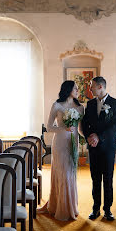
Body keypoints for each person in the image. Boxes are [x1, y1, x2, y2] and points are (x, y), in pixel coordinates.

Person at [37, 81, 84, 221]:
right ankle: (59, 207)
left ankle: (70, 207)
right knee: (61, 173)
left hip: (73, 143)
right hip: (59, 143)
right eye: (75, 88)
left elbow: (80, 129)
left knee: (70, 173)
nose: (77, 90)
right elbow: (49, 127)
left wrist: (88, 138)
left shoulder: (80, 107)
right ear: (68, 89)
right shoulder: (57, 105)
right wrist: (64, 128)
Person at [82, 76, 116, 221]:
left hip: (108, 146)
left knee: (108, 178)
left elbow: (115, 125)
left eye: (92, 86)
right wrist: (88, 137)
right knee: (95, 178)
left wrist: (99, 136)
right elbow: (85, 124)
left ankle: (108, 210)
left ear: (100, 87)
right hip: (93, 147)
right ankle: (95, 208)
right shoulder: (90, 104)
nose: (90, 89)